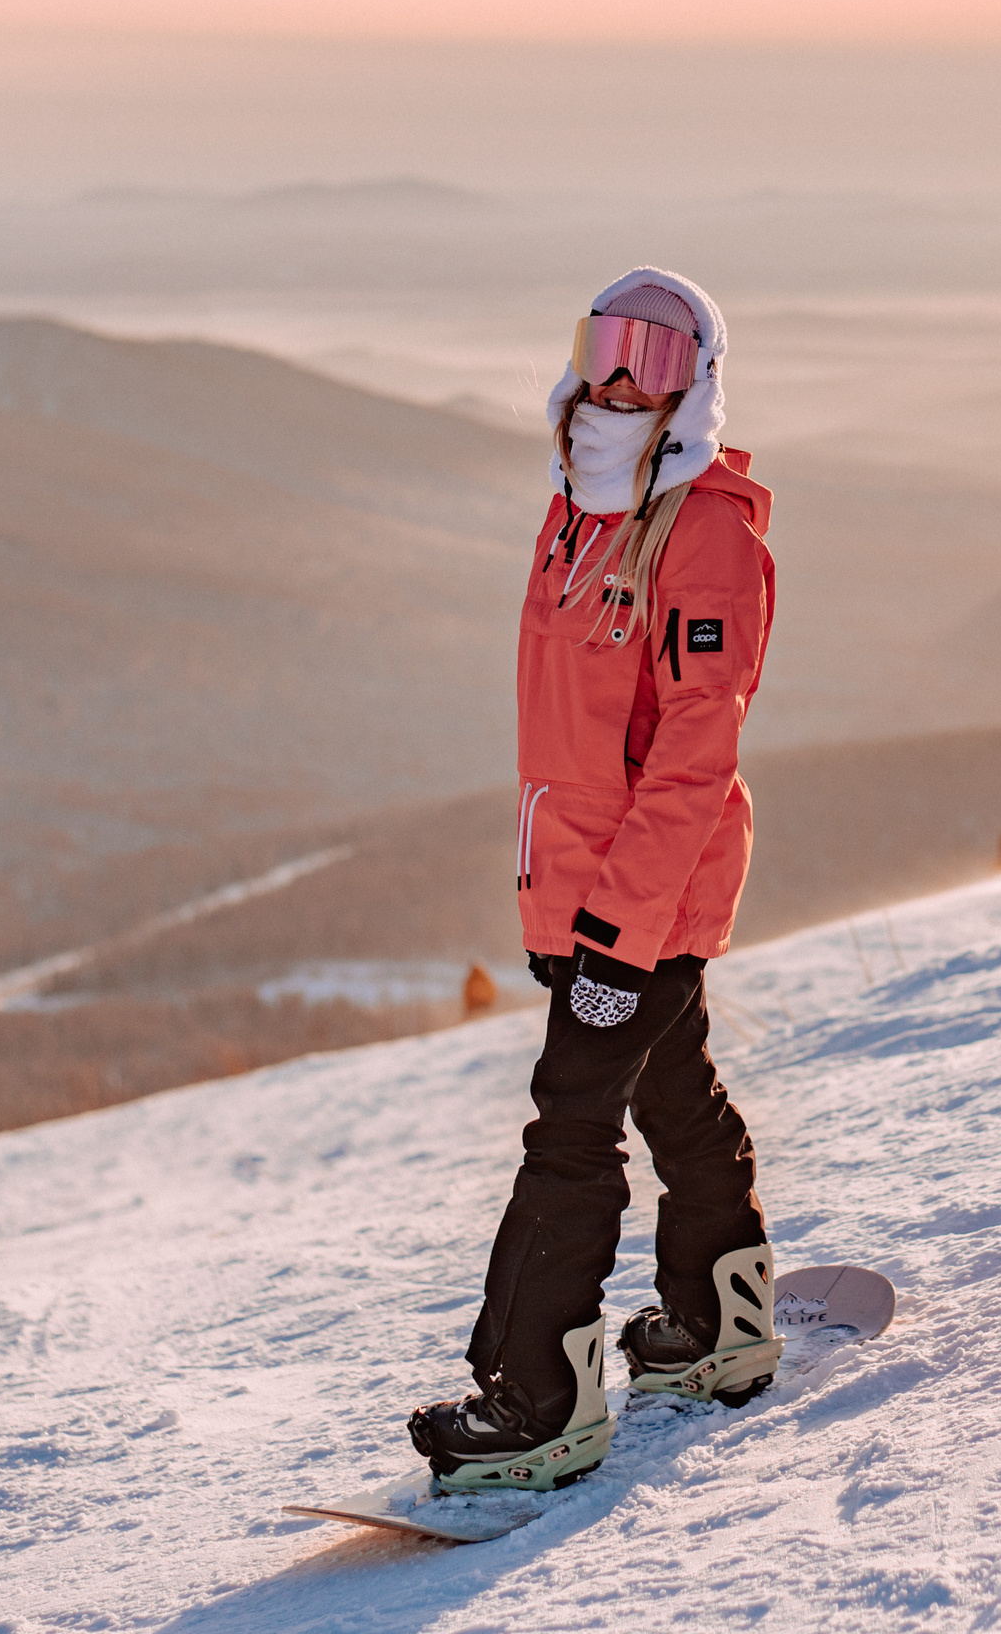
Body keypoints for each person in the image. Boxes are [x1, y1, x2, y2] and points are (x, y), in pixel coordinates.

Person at [408, 268, 778, 1492]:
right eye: (607, 346)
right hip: (584, 889)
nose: (623, 376)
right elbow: (568, 746)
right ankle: (722, 1323)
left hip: (644, 898)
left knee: (569, 1129)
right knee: (671, 1093)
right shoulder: (577, 507)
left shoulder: (703, 528)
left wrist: (614, 927)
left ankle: (539, 1402)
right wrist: (553, 902)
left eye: (657, 357)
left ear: (698, 384)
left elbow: (691, 752)